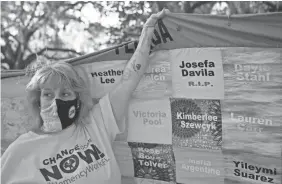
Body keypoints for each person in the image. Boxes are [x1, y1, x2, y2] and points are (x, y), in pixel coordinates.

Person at [1, 9, 169, 184]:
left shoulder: (97, 123)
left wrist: (147, 34)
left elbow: (129, 79)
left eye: (65, 93)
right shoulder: (20, 150)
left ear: (77, 100)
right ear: (38, 101)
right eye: (48, 94)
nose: (56, 102)